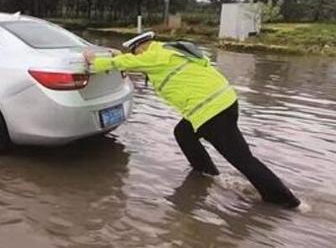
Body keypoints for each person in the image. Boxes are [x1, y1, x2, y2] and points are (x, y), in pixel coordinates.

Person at [83, 31, 301, 208]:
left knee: (242, 159)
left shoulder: (153, 56)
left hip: (210, 111)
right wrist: (115, 54)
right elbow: (129, 59)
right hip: (223, 101)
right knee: (184, 133)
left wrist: (93, 61)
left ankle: (285, 201)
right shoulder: (171, 51)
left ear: (141, 47)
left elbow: (123, 62)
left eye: (136, 51)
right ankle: (206, 174)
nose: (137, 55)